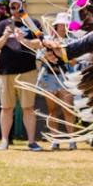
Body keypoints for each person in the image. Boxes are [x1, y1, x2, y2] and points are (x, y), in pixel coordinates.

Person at [0, 0, 43, 151]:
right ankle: (4, 141)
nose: (14, 8)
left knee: (28, 107)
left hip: (27, 70)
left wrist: (24, 41)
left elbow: (40, 43)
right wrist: (5, 37)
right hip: (6, 71)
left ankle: (31, 141)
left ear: (23, 5)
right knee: (6, 107)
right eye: (12, 5)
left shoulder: (32, 23)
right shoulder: (3, 24)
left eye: (17, 5)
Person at [38, 13, 77, 150]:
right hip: (49, 77)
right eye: (62, 23)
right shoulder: (47, 40)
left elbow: (73, 62)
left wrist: (62, 53)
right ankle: (55, 139)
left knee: (68, 109)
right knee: (52, 110)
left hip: (65, 77)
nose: (64, 26)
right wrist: (49, 55)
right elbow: (40, 57)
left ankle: (72, 140)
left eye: (66, 24)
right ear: (56, 25)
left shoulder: (71, 41)